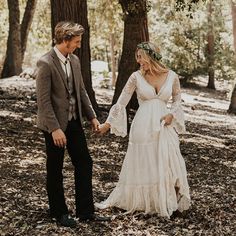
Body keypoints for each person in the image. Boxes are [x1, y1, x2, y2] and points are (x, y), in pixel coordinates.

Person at [96, 42, 190, 218]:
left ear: (152, 56)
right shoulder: (135, 77)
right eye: (137, 57)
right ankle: (145, 201)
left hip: (165, 124)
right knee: (146, 162)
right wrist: (107, 124)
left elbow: (177, 99)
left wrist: (172, 115)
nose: (139, 61)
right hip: (142, 125)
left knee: (169, 159)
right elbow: (122, 100)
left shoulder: (171, 76)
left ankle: (168, 199)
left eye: (141, 56)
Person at [36, 21, 109, 227]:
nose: (78, 45)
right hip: (54, 126)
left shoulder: (75, 60)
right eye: (76, 41)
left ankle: (86, 212)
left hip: (74, 121)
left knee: (84, 162)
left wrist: (92, 116)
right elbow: (43, 101)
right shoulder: (45, 63)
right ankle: (59, 213)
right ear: (65, 40)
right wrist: (55, 129)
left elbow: (82, 90)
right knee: (55, 168)